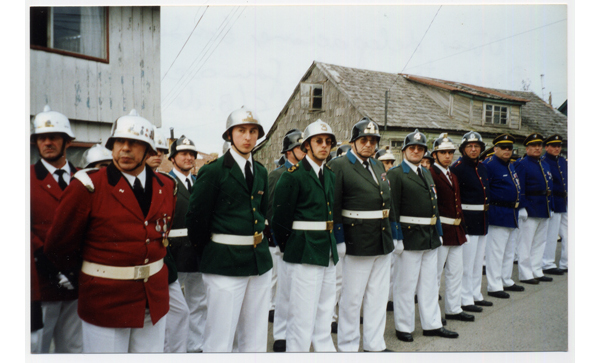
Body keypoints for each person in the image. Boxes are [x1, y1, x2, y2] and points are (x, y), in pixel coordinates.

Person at [44, 109, 177, 353]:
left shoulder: (165, 186)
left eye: (134, 143)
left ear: (149, 150)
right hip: (106, 299)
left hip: (153, 297)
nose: (124, 149)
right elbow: (58, 245)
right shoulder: (89, 186)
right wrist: (87, 276)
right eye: (119, 142)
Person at [186, 106, 273, 352]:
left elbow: (261, 213)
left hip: (258, 263)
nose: (248, 137)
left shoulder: (262, 172)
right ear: (229, 135)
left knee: (255, 336)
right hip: (223, 263)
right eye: (241, 131)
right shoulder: (213, 171)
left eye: (253, 131)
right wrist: (211, 254)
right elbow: (196, 220)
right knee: (220, 338)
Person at [272, 119, 339, 352]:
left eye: (328, 142)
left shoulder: (329, 175)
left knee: (324, 309)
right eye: (318, 141)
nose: (324, 146)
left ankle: (324, 351)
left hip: (326, 249)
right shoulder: (293, 175)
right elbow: (280, 220)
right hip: (303, 250)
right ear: (306, 146)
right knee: (302, 312)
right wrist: (290, 247)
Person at [329, 118, 396, 352]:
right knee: (352, 297)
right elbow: (334, 205)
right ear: (354, 142)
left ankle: (374, 344)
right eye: (364, 140)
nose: (369, 144)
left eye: (373, 141)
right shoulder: (339, 165)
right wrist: (338, 239)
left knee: (378, 296)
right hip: (356, 239)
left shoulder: (378, 165)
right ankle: (348, 347)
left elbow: (387, 200)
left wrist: (393, 233)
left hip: (381, 237)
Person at [387, 129, 458, 342]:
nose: (416, 151)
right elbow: (393, 208)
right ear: (404, 151)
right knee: (406, 285)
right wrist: (396, 237)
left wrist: (438, 232)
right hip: (409, 236)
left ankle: (432, 324)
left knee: (429, 284)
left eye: (420, 148)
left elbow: (434, 205)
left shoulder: (426, 173)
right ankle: (404, 326)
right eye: (412, 148)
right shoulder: (396, 174)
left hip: (429, 235)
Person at [30, 105, 83, 353]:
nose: (47, 142)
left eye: (54, 137)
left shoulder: (85, 178)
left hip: (78, 281)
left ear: (67, 142)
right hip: (43, 281)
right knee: (38, 348)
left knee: (73, 348)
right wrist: (48, 263)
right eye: (42, 138)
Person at [145, 131, 190, 354]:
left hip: (164, 258)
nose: (158, 155)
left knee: (180, 312)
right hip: (142, 259)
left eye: (161, 151)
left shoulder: (165, 183)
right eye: (153, 151)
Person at [165, 135, 206, 353]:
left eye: (192, 154)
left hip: (197, 251)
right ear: (173, 158)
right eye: (183, 154)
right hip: (175, 250)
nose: (189, 158)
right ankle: (172, 349)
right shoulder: (166, 182)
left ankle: (195, 345)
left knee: (198, 301)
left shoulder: (200, 182)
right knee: (173, 305)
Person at [267, 128, 306, 352]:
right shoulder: (277, 174)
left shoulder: (308, 173)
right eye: (300, 147)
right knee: (282, 290)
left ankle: (296, 331)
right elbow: (273, 210)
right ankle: (280, 333)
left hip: (302, 241)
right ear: (290, 151)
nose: (304, 151)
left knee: (299, 292)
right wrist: (278, 241)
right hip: (282, 241)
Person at [429, 134, 472, 322]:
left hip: (456, 231)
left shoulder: (452, 174)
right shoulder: (431, 174)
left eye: (450, 152)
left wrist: (462, 227)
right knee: (435, 275)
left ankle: (453, 308)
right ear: (435, 154)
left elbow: (458, 204)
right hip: (441, 230)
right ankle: (433, 312)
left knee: (456, 272)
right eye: (443, 152)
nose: (447, 156)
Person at [450, 131, 492, 313]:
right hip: (467, 220)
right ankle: (465, 298)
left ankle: (475, 294)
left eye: (477, 147)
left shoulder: (482, 167)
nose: (474, 149)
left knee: (477, 261)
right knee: (466, 264)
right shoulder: (457, 168)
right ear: (463, 149)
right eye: (470, 146)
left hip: (482, 220)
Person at [482, 134, 525, 299]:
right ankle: (494, 285)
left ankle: (506, 279)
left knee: (508, 251)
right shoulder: (489, 165)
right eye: (503, 148)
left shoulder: (510, 165)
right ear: (495, 149)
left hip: (511, 213)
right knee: (496, 252)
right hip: (497, 213)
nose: (507, 151)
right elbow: (485, 189)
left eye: (509, 148)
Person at [514, 133, 554, 284]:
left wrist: (551, 206)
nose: (537, 148)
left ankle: (536, 270)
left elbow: (549, 187)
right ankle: (525, 274)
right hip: (530, 208)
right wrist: (522, 207)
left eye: (539, 145)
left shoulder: (544, 164)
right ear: (527, 147)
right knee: (525, 243)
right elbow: (520, 188)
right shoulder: (522, 164)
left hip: (544, 207)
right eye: (533, 145)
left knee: (540, 242)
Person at [541, 134, 568, 274]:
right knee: (551, 234)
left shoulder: (563, 161)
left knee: (569, 234)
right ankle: (547, 263)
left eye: (559, 146)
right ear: (547, 147)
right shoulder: (543, 161)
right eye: (554, 146)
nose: (557, 148)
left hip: (565, 201)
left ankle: (566, 262)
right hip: (553, 202)